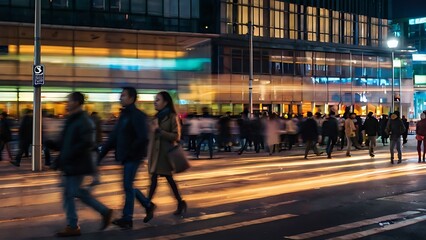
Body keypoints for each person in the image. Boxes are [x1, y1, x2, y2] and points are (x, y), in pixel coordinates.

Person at [46, 92, 113, 237]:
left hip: (77, 163)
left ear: (76, 102)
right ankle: (100, 213)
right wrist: (52, 144)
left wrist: (68, 154)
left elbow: (86, 143)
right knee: (72, 192)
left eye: (68, 100)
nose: (66, 103)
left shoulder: (84, 121)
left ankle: (75, 224)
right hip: (71, 163)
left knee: (71, 193)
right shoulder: (71, 120)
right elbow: (64, 142)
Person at [98, 87, 154, 229]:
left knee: (127, 186)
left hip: (133, 157)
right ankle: (147, 205)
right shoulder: (124, 115)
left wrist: (130, 152)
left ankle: (127, 218)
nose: (120, 98)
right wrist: (100, 156)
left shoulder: (137, 115)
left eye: (123, 95)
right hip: (126, 156)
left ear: (131, 98)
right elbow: (113, 138)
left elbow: (143, 137)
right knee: (128, 186)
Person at [147, 91, 187, 217]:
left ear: (165, 102)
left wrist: (160, 131)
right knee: (154, 180)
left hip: (166, 155)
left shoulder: (171, 117)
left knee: (168, 180)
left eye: (158, 99)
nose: (155, 102)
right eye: (155, 99)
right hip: (156, 155)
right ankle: (148, 205)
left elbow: (176, 136)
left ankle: (179, 203)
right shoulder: (155, 117)